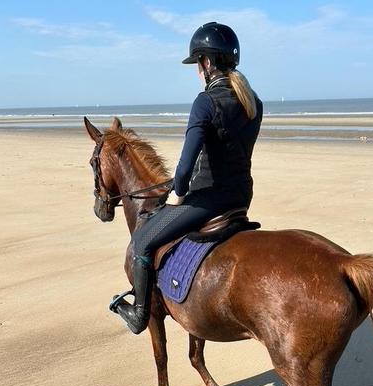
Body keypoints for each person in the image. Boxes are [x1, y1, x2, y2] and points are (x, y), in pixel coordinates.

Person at [112, 22, 263, 334]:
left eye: (197, 64)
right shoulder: (253, 103)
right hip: (240, 198)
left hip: (207, 201)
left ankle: (140, 315)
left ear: (206, 63)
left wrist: (178, 193)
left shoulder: (205, 102)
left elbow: (185, 167)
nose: (197, 71)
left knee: (141, 240)